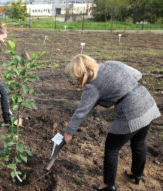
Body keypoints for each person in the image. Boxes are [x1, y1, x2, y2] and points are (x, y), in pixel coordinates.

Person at [63, 54, 161, 191]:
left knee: (112, 148)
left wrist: (69, 132)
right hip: (146, 103)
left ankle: (108, 185)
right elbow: (138, 74)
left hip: (131, 112)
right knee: (139, 142)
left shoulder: (92, 86)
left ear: (80, 74)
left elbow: (81, 112)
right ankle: (136, 174)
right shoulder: (111, 64)